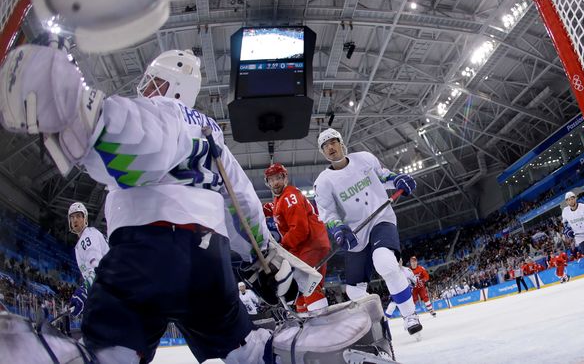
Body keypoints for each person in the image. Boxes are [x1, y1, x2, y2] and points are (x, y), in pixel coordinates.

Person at [0, 45, 290, 363]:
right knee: (241, 346)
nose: (145, 89)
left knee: (112, 350)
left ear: (175, 87)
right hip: (211, 260)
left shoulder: (164, 111)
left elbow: (145, 137)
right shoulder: (213, 134)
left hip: (148, 248)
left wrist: (81, 113)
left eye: (154, 82)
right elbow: (241, 201)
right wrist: (261, 257)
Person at [313, 128, 423, 335]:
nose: (330, 147)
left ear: (341, 142)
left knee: (385, 262)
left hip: (381, 219)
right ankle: (378, 324)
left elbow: (384, 176)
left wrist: (398, 180)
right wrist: (338, 229)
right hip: (355, 234)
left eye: (333, 142)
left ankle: (410, 316)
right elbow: (328, 214)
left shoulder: (364, 159)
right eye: (325, 145)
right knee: (353, 291)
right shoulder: (323, 182)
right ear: (322, 152)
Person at [264, 162, 331, 313]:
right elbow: (277, 209)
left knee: (307, 285)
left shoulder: (289, 197)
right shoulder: (283, 198)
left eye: (278, 178)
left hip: (309, 246)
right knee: (306, 288)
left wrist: (282, 248)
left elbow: (300, 230)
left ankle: (323, 324)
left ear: (285, 178)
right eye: (271, 179)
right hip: (313, 245)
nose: (275, 182)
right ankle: (309, 323)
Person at [67, 202, 109, 318]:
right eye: (72, 217)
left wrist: (84, 291)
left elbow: (97, 268)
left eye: (78, 216)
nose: (75, 220)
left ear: (85, 218)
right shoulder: (79, 245)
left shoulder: (88, 236)